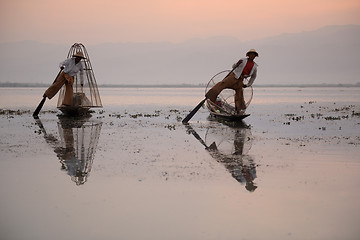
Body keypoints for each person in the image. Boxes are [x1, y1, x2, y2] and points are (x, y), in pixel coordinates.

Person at [205, 49, 259, 114]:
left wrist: (248, 84)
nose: (252, 56)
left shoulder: (255, 66)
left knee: (239, 95)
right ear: (249, 55)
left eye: (254, 55)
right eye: (251, 54)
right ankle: (210, 96)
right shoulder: (243, 60)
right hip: (233, 76)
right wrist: (237, 64)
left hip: (240, 80)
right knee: (222, 84)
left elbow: (253, 77)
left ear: (255, 56)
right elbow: (233, 66)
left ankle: (238, 110)